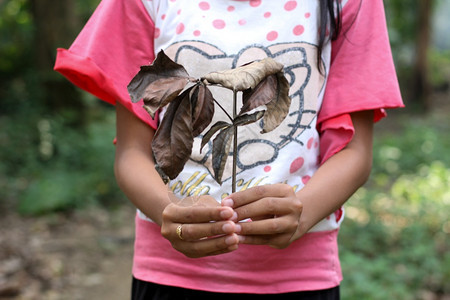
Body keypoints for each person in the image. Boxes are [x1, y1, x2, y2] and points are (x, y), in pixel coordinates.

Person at [54, 0, 404, 298]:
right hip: (169, 275)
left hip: (300, 278)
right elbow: (132, 152)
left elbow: (355, 152)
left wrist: (303, 212)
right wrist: (169, 214)